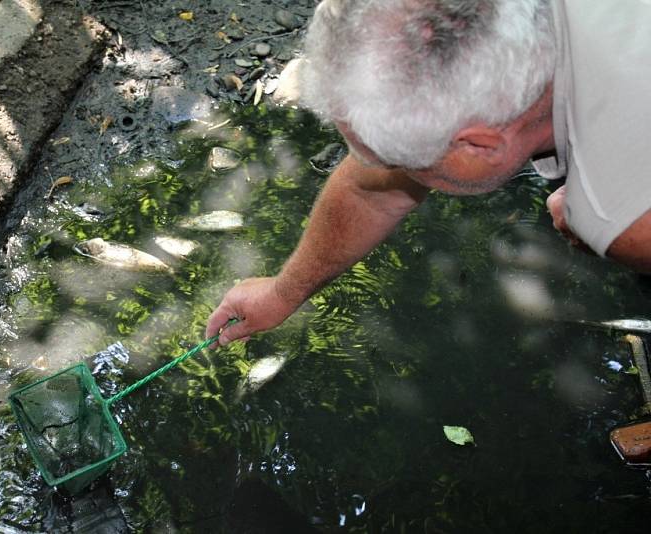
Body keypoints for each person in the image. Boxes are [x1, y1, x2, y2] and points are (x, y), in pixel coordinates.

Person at [207, 0, 651, 345]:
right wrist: (283, 293)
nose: (382, 173)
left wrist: (602, 211)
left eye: (398, 162)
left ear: (479, 146)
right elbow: (371, 192)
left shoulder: (629, 216)